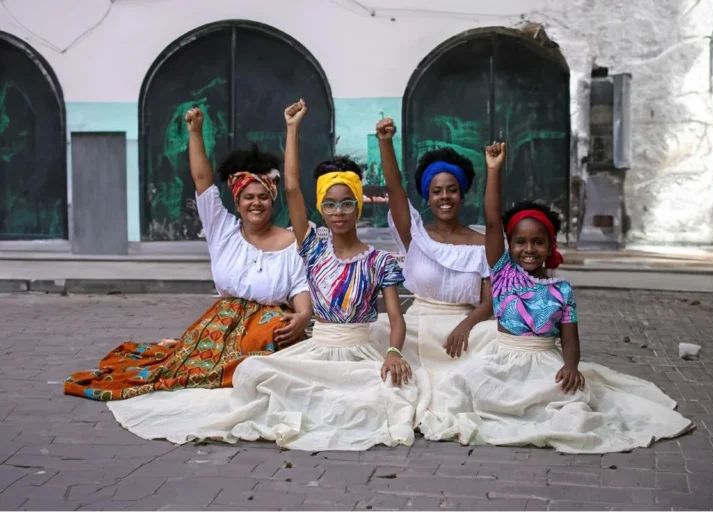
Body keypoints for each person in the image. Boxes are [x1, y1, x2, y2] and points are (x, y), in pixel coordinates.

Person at [105, 100, 426, 452]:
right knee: (255, 376)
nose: (338, 212)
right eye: (330, 205)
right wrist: (289, 129)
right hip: (277, 339)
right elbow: (286, 186)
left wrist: (392, 350)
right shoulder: (304, 246)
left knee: (386, 394)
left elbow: (393, 316)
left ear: (358, 207)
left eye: (347, 204)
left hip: (344, 347)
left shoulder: (370, 259)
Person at [418, 141, 694, 453]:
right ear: (509, 246)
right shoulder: (503, 273)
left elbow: (570, 338)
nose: (529, 249)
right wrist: (494, 170)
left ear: (550, 247)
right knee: (461, 387)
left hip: (544, 361)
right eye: (520, 242)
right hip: (501, 359)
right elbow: (493, 221)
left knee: (568, 400)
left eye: (538, 242)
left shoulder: (560, 290)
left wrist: (572, 366)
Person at [64, 107, 311, 401]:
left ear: (272, 201)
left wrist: (303, 316)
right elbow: (202, 179)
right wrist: (195, 131)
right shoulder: (223, 230)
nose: (255, 203)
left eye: (262, 197)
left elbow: (300, 289)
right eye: (248, 197)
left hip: (269, 331)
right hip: (221, 326)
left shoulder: (292, 242)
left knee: (258, 360)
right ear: (238, 201)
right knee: (187, 371)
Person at [370, 118, 496, 402]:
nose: (445, 197)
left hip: (464, 330)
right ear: (428, 196)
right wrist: (385, 142)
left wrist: (465, 326)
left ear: (462, 194)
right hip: (418, 327)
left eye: (451, 189)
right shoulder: (415, 235)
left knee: (497, 337)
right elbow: (394, 190)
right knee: (374, 331)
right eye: (436, 191)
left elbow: (489, 303)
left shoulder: (481, 243)